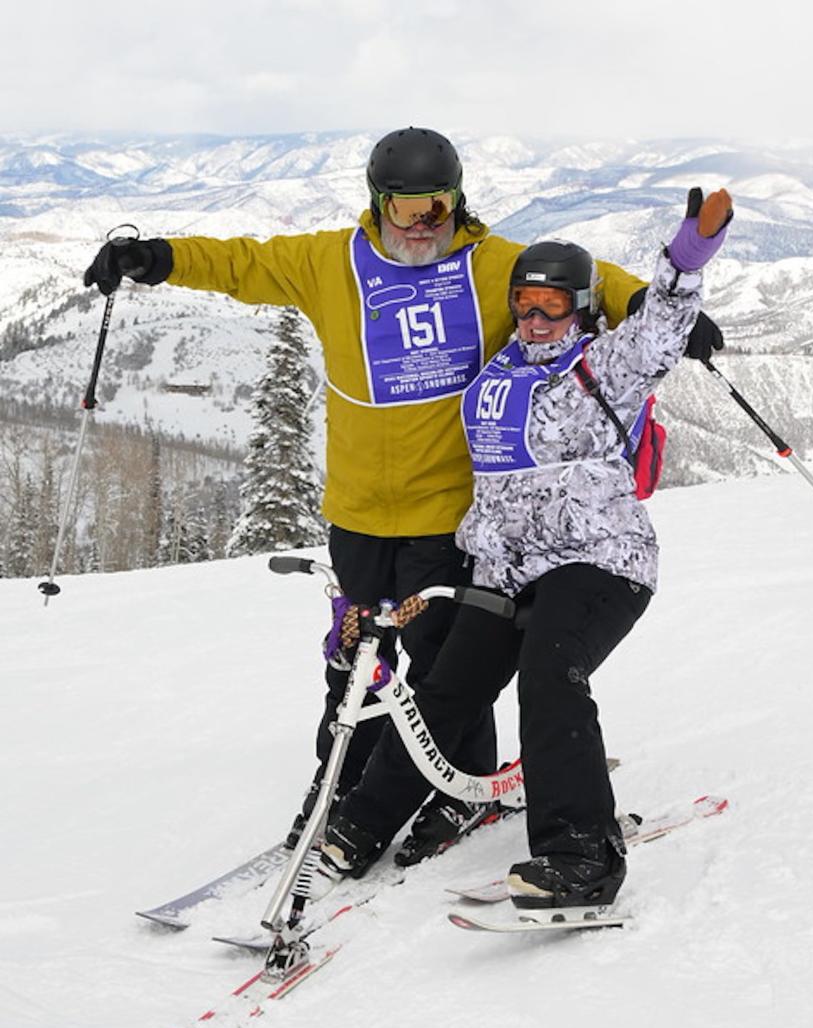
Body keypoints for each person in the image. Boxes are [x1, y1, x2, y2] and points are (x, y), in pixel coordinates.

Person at [82, 127, 725, 866]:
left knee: (443, 671)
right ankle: (343, 799)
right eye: (408, 207)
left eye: (439, 205)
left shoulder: (492, 266)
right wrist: (158, 258)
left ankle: (459, 791)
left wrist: (652, 301)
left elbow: (582, 282)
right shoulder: (332, 262)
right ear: (378, 203)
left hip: (446, 516)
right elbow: (244, 262)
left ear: (459, 200)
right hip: (358, 513)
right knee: (355, 664)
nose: (424, 223)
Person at [317, 186, 732, 916]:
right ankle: (359, 825)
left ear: (581, 308)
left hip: (599, 561)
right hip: (505, 570)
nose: (537, 321)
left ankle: (580, 855)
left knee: (549, 671)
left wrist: (687, 255)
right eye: (525, 305)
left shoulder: (606, 364)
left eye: (554, 307)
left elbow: (663, 323)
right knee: (445, 691)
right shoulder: (492, 379)